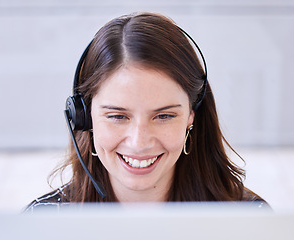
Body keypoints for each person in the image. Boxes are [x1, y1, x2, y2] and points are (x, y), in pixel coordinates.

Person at [25, 12, 268, 212]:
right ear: (85, 118)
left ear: (191, 117)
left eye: (164, 116)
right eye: (118, 116)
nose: (139, 143)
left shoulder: (247, 219)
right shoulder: (42, 222)